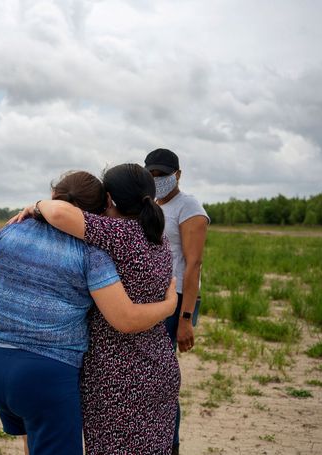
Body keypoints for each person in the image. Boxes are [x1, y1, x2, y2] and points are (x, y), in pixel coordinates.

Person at [0, 171, 177, 455]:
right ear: (98, 209)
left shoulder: (8, 231)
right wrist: (169, 306)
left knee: (33, 436)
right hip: (47, 373)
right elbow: (124, 318)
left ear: (55, 195)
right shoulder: (92, 252)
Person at [145, 148, 210, 455]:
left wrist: (185, 318)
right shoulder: (150, 205)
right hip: (155, 299)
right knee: (151, 371)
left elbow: (193, 264)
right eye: (152, 175)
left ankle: (170, 445)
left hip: (177, 300)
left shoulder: (190, 208)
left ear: (178, 175)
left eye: (163, 175)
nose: (157, 180)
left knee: (163, 376)